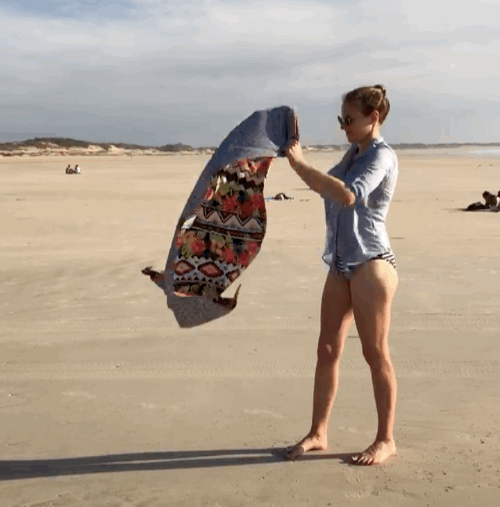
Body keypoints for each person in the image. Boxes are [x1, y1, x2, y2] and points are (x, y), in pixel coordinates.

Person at [284, 84, 399, 466]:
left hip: (371, 264)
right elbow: (324, 185)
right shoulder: (354, 152)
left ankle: (386, 439)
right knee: (327, 349)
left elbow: (349, 194)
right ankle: (319, 432)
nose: (344, 127)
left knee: (374, 352)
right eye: (341, 119)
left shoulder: (380, 156)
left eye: (349, 120)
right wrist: (293, 157)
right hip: (340, 264)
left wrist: (301, 165)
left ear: (373, 118)